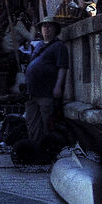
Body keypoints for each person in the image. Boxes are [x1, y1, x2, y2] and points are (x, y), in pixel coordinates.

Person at [23, 19, 70, 151]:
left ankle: (48, 151)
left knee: (47, 123)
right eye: (44, 26)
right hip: (32, 91)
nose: (46, 29)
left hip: (47, 91)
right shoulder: (38, 46)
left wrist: (58, 86)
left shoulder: (59, 46)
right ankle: (36, 150)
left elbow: (62, 67)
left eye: (49, 26)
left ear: (55, 29)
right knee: (33, 123)